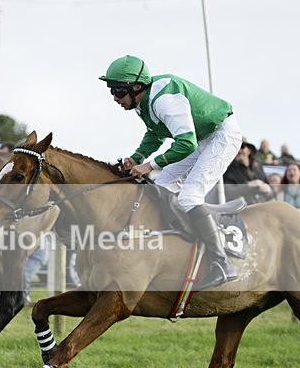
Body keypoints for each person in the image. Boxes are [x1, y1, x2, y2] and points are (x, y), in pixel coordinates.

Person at [100, 55, 242, 290]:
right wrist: (137, 157)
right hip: (201, 139)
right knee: (162, 188)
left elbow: (186, 143)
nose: (115, 98)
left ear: (137, 87)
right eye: (111, 91)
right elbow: (155, 134)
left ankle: (222, 263)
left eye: (118, 91)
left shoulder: (164, 100)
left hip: (221, 136)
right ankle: (178, 245)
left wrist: (149, 166)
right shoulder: (142, 102)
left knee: (189, 197)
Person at [223, 141, 274, 205]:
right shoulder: (229, 170)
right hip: (242, 208)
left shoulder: (258, 167)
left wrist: (269, 191)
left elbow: (272, 192)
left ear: (249, 150)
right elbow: (228, 193)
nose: (239, 150)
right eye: (236, 147)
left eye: (242, 147)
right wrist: (248, 185)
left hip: (260, 207)